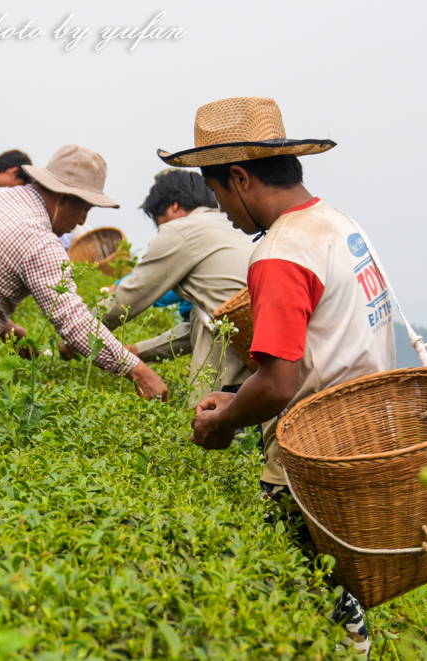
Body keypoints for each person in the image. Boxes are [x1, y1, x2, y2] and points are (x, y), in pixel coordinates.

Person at [167, 97, 395, 656]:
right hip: (361, 433)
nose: (221, 209)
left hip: (310, 453)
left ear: (240, 178)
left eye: (218, 193)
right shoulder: (338, 224)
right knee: (336, 590)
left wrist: (223, 423)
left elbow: (279, 384)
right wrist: (234, 394)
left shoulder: (281, 251)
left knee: (303, 595)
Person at [0, 144, 168, 401]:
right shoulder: (39, 240)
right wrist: (139, 371)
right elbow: (76, 324)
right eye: (83, 207)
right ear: (62, 198)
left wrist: (6, 327)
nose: (83, 220)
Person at [94, 169, 256, 405]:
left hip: (228, 385)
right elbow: (206, 324)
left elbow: (125, 301)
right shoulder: (233, 227)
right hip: (263, 376)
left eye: (159, 224)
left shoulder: (182, 230)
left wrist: (75, 334)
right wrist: (138, 351)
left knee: (205, 435)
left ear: (172, 207)